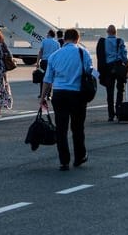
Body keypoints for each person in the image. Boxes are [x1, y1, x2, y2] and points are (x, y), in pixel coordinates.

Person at [40, 29, 91, 171]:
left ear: (65, 39)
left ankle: (64, 161)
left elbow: (48, 79)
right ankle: (80, 157)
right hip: (77, 94)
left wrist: (43, 97)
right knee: (78, 127)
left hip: (59, 94)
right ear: (77, 39)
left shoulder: (54, 56)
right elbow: (89, 72)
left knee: (61, 129)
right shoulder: (83, 53)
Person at [96, 24, 128, 121]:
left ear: (107, 32)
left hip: (108, 69)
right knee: (120, 90)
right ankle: (119, 111)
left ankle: (111, 115)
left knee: (109, 92)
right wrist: (127, 64)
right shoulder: (120, 41)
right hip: (119, 67)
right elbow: (124, 55)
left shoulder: (103, 42)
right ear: (116, 32)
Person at [36, 29, 60, 99]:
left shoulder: (44, 41)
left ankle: (41, 94)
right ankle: (49, 95)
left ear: (49, 34)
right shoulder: (57, 43)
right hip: (52, 63)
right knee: (51, 78)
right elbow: (58, 54)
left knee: (42, 78)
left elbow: (41, 51)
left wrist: (37, 62)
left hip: (44, 62)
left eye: (47, 33)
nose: (46, 34)